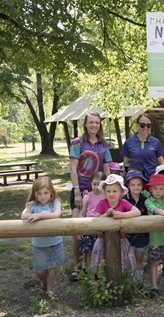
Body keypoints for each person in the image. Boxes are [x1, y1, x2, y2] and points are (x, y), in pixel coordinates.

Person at [69, 111, 111, 282]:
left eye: (97, 122)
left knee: (97, 227)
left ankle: (96, 264)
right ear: (85, 124)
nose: (94, 125)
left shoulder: (103, 144)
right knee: (76, 228)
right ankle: (78, 267)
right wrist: (77, 191)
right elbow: (73, 168)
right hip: (81, 188)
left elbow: (107, 166)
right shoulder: (77, 143)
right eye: (91, 122)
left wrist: (107, 187)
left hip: (99, 190)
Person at [21, 176, 65, 299]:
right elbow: (24, 215)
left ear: (51, 192)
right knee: (40, 271)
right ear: (34, 194)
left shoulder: (55, 203)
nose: (42, 196)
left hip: (54, 242)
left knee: (51, 269)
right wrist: (36, 214)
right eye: (39, 193)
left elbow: (56, 214)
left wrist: (40, 216)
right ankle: (45, 284)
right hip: (39, 244)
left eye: (45, 193)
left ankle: (50, 291)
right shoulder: (33, 204)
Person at [90, 174, 139, 276]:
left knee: (121, 264)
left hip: (120, 240)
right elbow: (96, 220)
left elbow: (137, 212)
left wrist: (122, 215)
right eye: (108, 191)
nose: (111, 194)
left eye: (114, 191)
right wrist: (106, 214)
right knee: (101, 264)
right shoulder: (102, 203)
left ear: (121, 192)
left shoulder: (123, 203)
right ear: (104, 192)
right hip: (102, 240)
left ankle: (121, 282)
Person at [122, 170, 150, 284]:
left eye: (139, 184)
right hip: (128, 235)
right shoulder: (124, 199)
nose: (136, 187)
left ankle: (138, 281)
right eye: (133, 185)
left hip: (142, 235)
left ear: (143, 185)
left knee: (139, 258)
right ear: (128, 185)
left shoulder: (145, 200)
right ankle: (129, 282)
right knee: (129, 258)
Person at [121, 113, 164, 180]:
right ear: (137, 125)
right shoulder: (129, 142)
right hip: (135, 182)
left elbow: (162, 165)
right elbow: (125, 165)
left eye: (148, 125)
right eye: (142, 125)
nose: (145, 128)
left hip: (152, 182)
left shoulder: (156, 142)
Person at [78, 172, 106, 267]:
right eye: (94, 184)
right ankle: (90, 276)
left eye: (99, 184)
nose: (97, 187)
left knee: (100, 252)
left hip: (101, 230)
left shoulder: (106, 198)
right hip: (88, 229)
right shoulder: (87, 197)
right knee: (88, 253)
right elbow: (82, 214)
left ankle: (99, 273)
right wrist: (79, 230)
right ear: (90, 183)